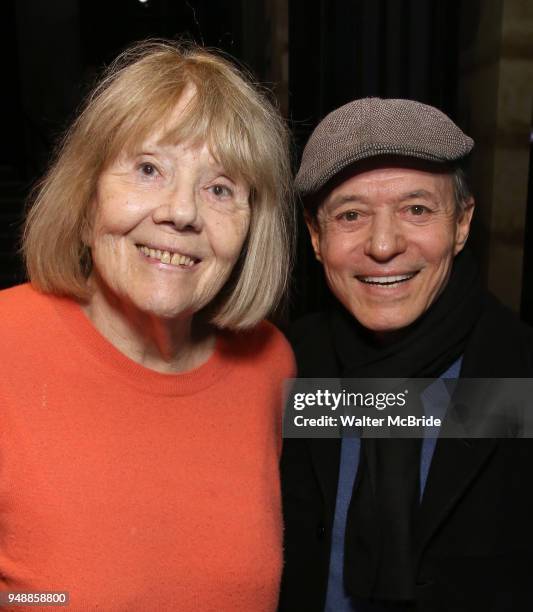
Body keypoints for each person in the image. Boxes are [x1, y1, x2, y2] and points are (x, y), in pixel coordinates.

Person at [0, 41, 295, 611]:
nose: (181, 212)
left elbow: (465, 414)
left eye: (220, 188)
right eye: (148, 169)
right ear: (86, 199)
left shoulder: (272, 365)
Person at [279, 98, 533, 612]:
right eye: (351, 215)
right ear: (315, 236)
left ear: (462, 224)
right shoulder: (282, 367)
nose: (383, 245)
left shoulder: (519, 373)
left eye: (417, 209)